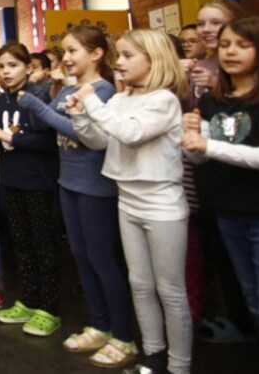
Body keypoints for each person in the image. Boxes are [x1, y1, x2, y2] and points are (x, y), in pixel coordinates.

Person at [68, 29, 191, 374]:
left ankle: (179, 366)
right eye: (118, 55)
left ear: (154, 60)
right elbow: (100, 140)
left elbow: (131, 132)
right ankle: (152, 356)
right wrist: (81, 115)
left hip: (162, 204)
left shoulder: (164, 100)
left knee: (170, 290)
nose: (118, 63)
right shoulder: (122, 99)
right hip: (129, 199)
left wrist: (91, 100)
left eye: (126, 56)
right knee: (139, 283)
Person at [19, 26, 135, 365]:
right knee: (81, 256)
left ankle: (123, 335)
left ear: (96, 54)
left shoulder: (103, 89)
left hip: (95, 186)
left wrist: (39, 106)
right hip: (68, 181)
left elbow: (83, 134)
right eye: (65, 52)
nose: (66, 58)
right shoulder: (70, 87)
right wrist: (48, 96)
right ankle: (99, 325)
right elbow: (44, 125)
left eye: (73, 52)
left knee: (102, 259)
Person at [182, 16, 259, 370]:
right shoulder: (218, 100)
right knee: (251, 294)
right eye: (227, 44)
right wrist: (190, 139)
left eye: (243, 45)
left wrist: (208, 145)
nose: (231, 51)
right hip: (227, 212)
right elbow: (198, 157)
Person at [0, 42, 61, 336]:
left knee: (43, 244)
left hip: (38, 181)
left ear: (28, 68)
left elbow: (49, 141)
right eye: (1, 67)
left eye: (12, 66)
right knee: (21, 244)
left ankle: (48, 307)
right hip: (10, 180)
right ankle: (28, 299)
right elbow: (3, 141)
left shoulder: (38, 98)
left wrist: (12, 139)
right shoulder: (0, 102)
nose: (6, 72)